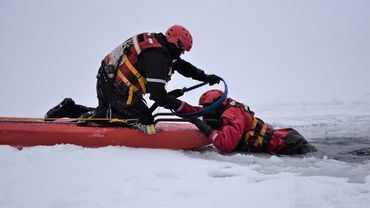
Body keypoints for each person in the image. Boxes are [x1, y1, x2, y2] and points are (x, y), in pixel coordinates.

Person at [45, 25, 221, 126]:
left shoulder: (160, 46)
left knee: (111, 112)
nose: (182, 54)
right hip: (116, 88)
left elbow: (182, 66)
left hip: (108, 81)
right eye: (182, 49)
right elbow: (158, 95)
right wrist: (174, 103)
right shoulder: (158, 56)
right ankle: (86, 121)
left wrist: (205, 77)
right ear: (176, 42)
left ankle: (71, 109)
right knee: (135, 121)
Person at [176, 89, 317, 155]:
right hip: (287, 138)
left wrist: (201, 125)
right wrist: (174, 103)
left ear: (218, 105)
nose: (206, 111)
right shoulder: (221, 109)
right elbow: (196, 111)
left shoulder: (231, 114)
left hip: (290, 145)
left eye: (208, 108)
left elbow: (226, 145)